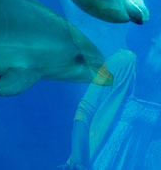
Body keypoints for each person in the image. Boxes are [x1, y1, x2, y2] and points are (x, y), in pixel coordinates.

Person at [61, 27, 161, 169]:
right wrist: (78, 160)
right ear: (154, 37)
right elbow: (85, 110)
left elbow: (150, 134)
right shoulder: (122, 61)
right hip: (93, 163)